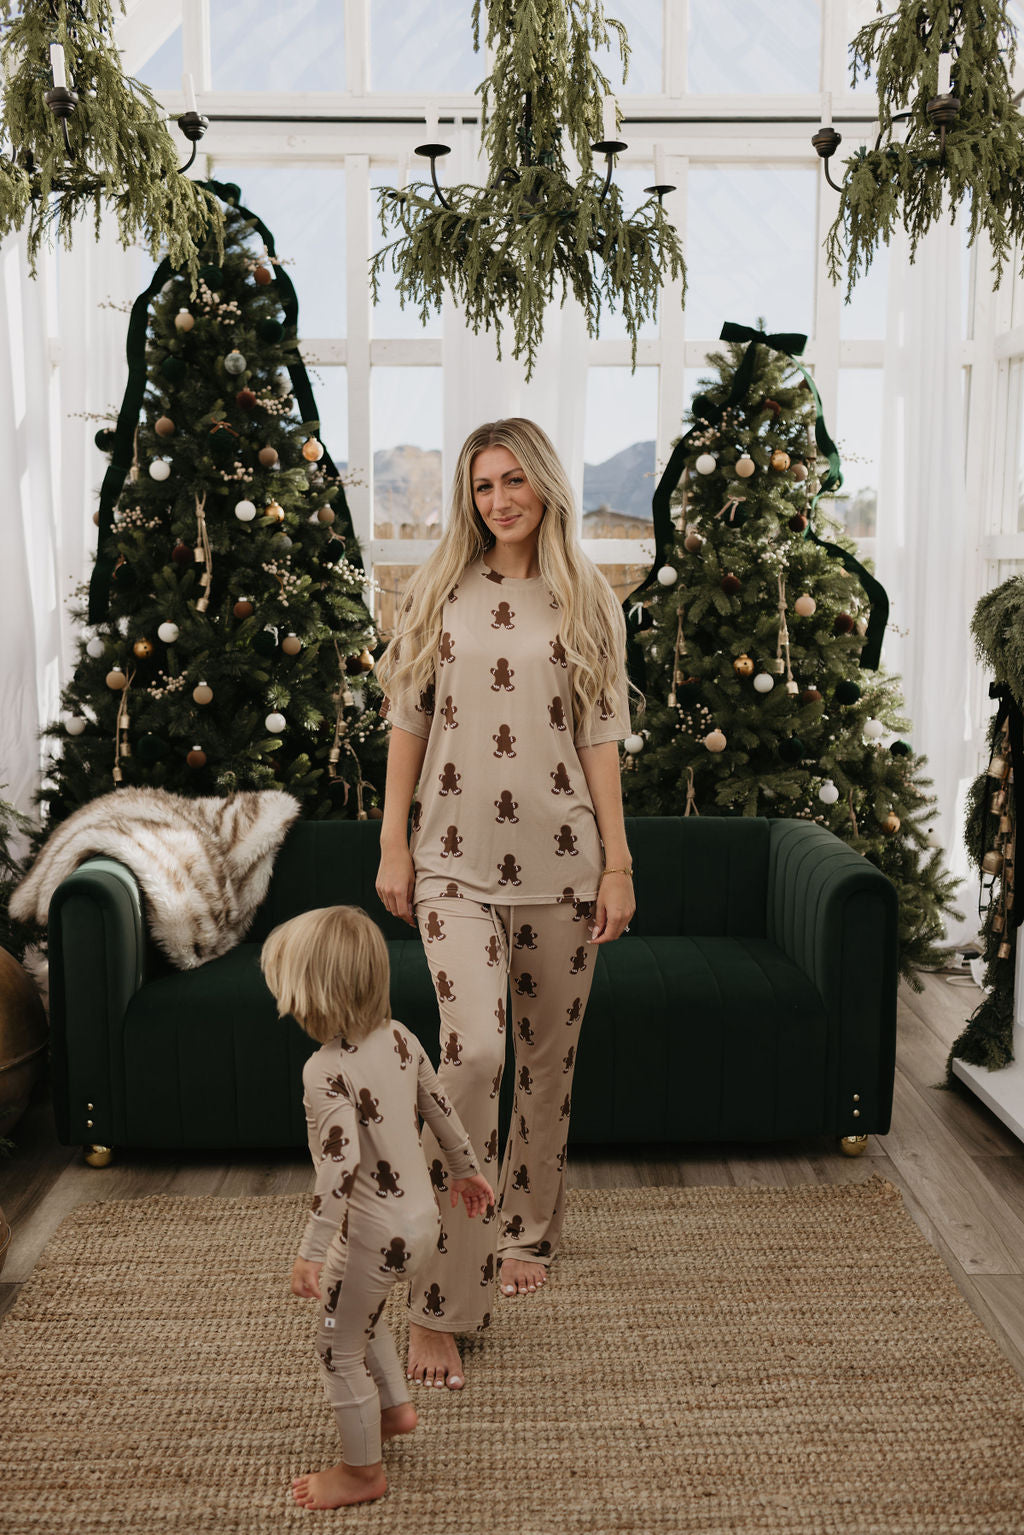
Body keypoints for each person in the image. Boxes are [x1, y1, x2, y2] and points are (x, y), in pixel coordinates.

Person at [374, 416, 638, 1392]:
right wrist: (392, 841)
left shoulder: (584, 597)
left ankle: (524, 1228)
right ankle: (446, 1286)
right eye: (483, 485)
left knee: (545, 1065)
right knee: (474, 1053)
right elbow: (408, 715)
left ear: (546, 487)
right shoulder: (437, 589)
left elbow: (602, 735)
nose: (500, 499)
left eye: (514, 480)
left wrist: (616, 863)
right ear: (467, 497)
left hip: (562, 863)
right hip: (451, 863)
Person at [260, 904, 495, 1510]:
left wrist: (308, 1252)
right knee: (360, 1314)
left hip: (373, 1231)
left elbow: (337, 1168)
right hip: (418, 1223)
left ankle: (362, 1473)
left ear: (309, 991)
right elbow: (441, 1106)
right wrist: (468, 1171)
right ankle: (392, 1408)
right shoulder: (399, 1036)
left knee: (336, 1345)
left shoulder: (324, 1070)